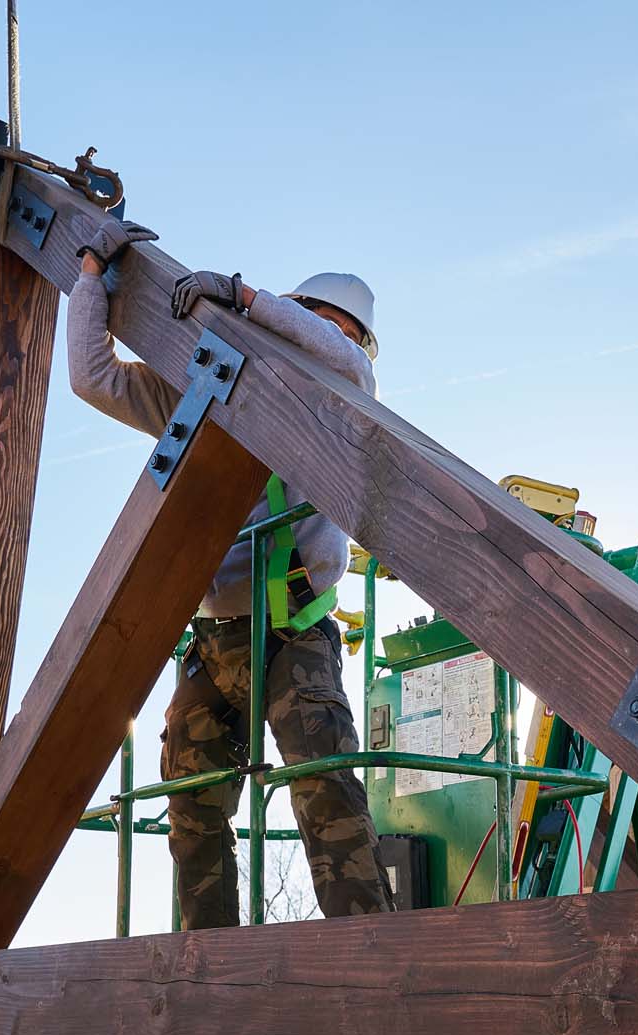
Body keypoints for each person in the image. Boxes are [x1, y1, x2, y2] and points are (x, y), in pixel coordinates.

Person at [66, 218, 391, 929]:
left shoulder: (343, 399)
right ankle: (209, 959)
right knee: (192, 806)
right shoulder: (205, 399)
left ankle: (368, 947)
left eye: (328, 327)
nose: (310, 334)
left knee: (323, 791)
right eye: (305, 318)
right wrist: (91, 277)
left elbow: (341, 358)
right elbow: (92, 377)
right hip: (211, 645)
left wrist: (245, 296)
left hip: (292, 637)